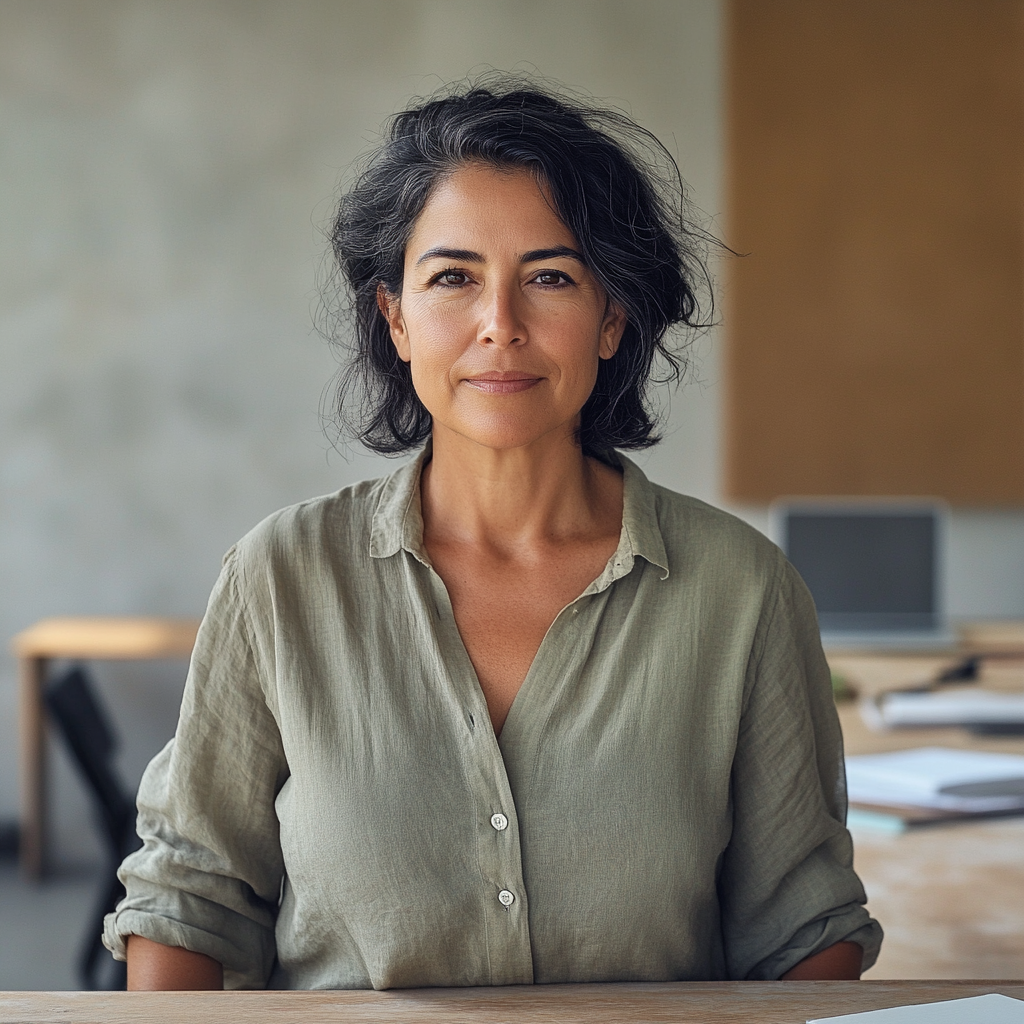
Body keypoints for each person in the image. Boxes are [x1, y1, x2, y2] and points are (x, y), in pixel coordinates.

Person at [105, 80, 882, 990]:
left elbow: (806, 930)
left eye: (550, 277)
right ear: (395, 317)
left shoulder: (743, 591)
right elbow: (187, 906)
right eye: (452, 278)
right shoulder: (281, 578)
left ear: (613, 318)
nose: (500, 326)